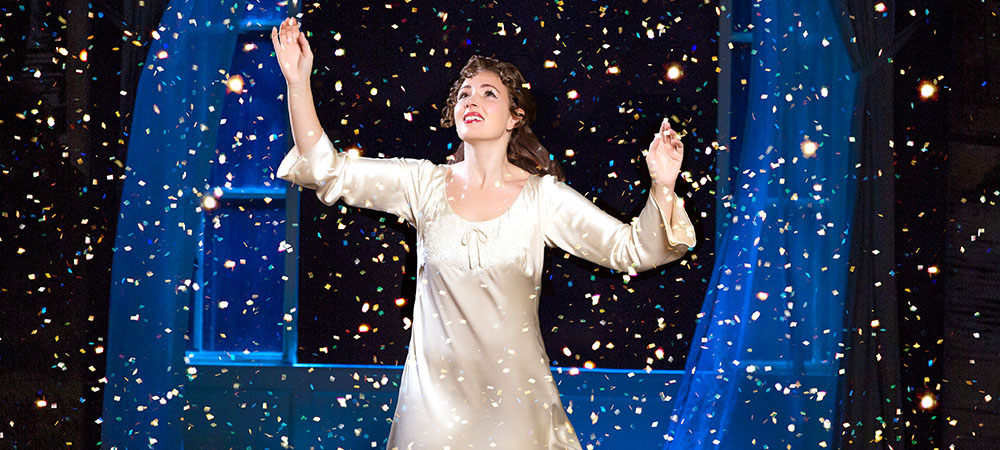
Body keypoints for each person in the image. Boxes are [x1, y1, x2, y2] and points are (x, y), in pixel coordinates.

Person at [271, 16, 696, 450]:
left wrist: (662, 185)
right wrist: (298, 82)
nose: (470, 99)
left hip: (515, 409)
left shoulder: (543, 198)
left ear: (515, 117)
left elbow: (632, 249)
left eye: (488, 93)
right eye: (463, 93)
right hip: (432, 409)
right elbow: (327, 169)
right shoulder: (423, 185)